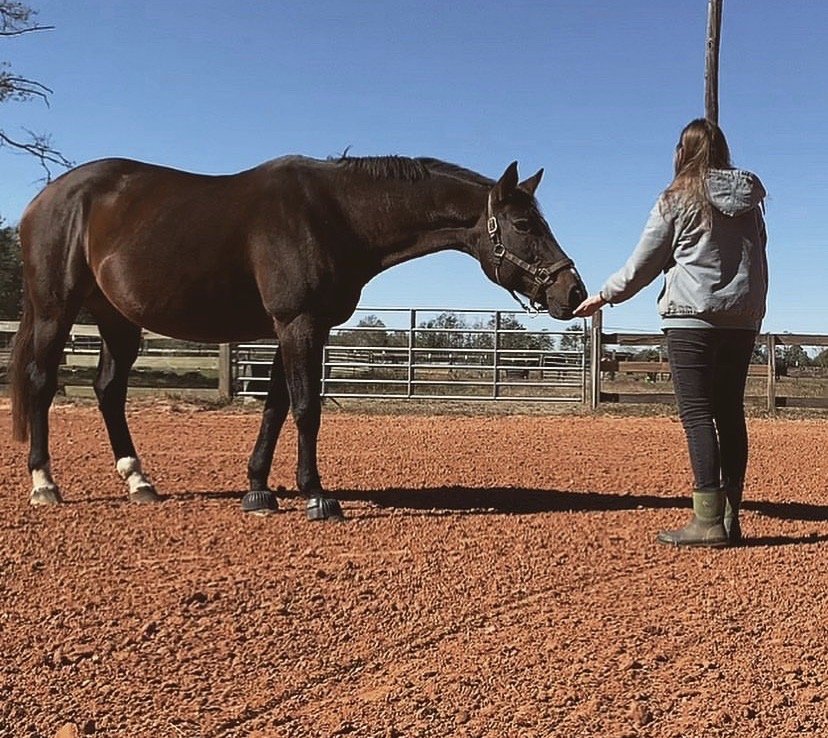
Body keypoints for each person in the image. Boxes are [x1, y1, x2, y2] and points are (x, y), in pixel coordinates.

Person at [574, 118, 768, 548]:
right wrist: (754, 309)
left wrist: (604, 296)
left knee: (697, 414)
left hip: (690, 317)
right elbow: (760, 258)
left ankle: (707, 522)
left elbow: (644, 262)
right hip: (742, 317)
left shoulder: (677, 198)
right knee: (729, 411)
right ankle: (731, 517)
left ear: (685, 151)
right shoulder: (751, 202)